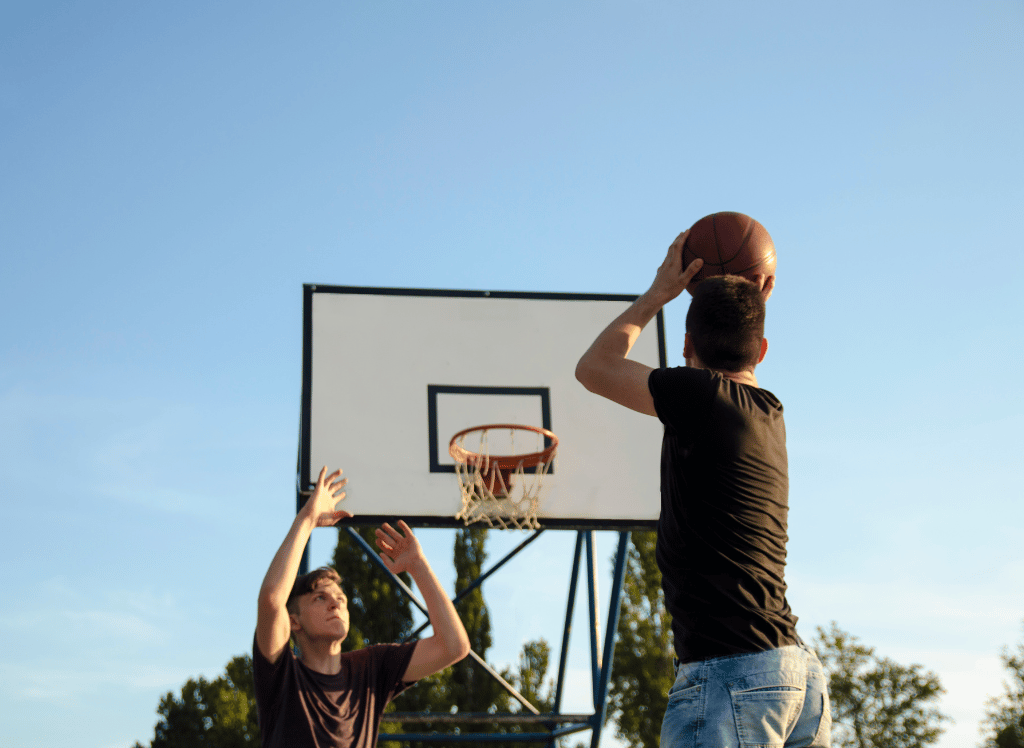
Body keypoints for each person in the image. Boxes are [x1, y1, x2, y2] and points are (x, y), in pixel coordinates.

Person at [575, 231, 830, 747]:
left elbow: (594, 367)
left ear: (687, 346)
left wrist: (658, 294)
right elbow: (740, 349)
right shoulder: (770, 412)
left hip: (733, 674)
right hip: (796, 677)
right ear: (762, 349)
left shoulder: (700, 396)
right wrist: (753, 301)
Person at [253, 465, 471, 748]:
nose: (335, 603)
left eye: (341, 599)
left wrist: (418, 566)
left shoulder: (371, 669)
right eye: (320, 598)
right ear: (293, 621)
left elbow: (453, 647)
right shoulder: (281, 674)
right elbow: (272, 601)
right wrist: (307, 519)